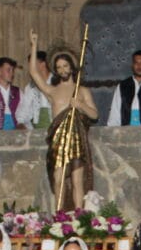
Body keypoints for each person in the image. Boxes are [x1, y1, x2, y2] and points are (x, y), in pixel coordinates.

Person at [28, 32, 99, 211]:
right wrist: (34, 45)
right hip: (58, 139)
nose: (62, 70)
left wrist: (80, 105)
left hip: (76, 138)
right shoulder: (53, 91)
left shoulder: (81, 90)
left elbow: (94, 115)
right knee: (58, 179)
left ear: (72, 67)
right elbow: (34, 73)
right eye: (58, 67)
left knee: (77, 180)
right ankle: (59, 215)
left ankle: (78, 215)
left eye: (65, 66)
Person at [16, 49, 53, 130]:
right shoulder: (30, 87)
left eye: (32, 64)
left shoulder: (58, 83)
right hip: (36, 131)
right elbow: (24, 109)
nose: (30, 69)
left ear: (43, 65)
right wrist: (20, 123)